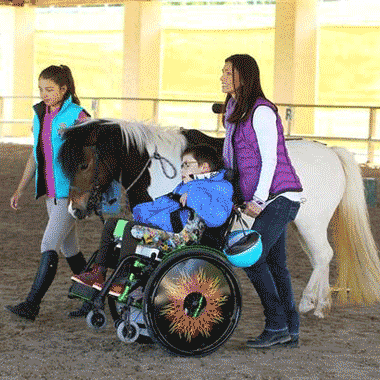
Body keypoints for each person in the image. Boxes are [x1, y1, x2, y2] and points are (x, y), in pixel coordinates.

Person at [70, 144, 234, 300]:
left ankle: (122, 281)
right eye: (182, 165)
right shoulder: (185, 186)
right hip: (167, 232)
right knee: (112, 224)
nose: (182, 169)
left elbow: (217, 217)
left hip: (182, 240)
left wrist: (193, 199)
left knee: (131, 230)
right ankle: (98, 271)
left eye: (186, 165)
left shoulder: (220, 187)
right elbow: (164, 209)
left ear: (204, 167)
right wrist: (141, 212)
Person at [220, 54, 303, 348]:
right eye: (223, 72)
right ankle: (291, 328)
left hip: (279, 197)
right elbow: (233, 159)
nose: (222, 77)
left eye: (228, 72)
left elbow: (269, 160)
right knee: (276, 264)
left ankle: (277, 324)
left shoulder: (262, 112)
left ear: (244, 76)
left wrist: (256, 199)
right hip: (265, 198)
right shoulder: (234, 109)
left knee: (252, 258)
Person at [6, 65, 91, 321]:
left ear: (64, 89)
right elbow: (35, 155)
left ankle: (32, 304)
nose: (44, 94)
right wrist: (20, 188)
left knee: (48, 245)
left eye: (50, 89)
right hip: (50, 195)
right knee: (71, 250)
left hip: (69, 196)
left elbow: (92, 156)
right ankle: (93, 299)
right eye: (41, 88)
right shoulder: (39, 114)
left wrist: (85, 195)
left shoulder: (78, 116)